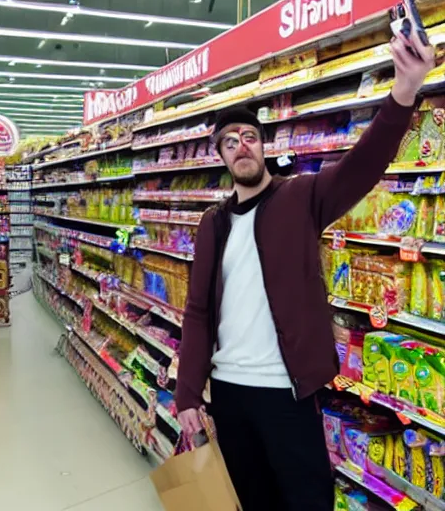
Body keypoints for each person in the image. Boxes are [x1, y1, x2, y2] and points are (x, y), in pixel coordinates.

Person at [175, 30, 436, 510]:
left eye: (249, 137)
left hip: (286, 391)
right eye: (229, 142)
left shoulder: (301, 197)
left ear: (263, 146)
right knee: (253, 500)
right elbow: (197, 313)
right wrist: (187, 393)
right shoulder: (212, 224)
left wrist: (404, 90)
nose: (241, 146)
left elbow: (364, 165)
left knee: (308, 499)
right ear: (221, 157)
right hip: (229, 394)